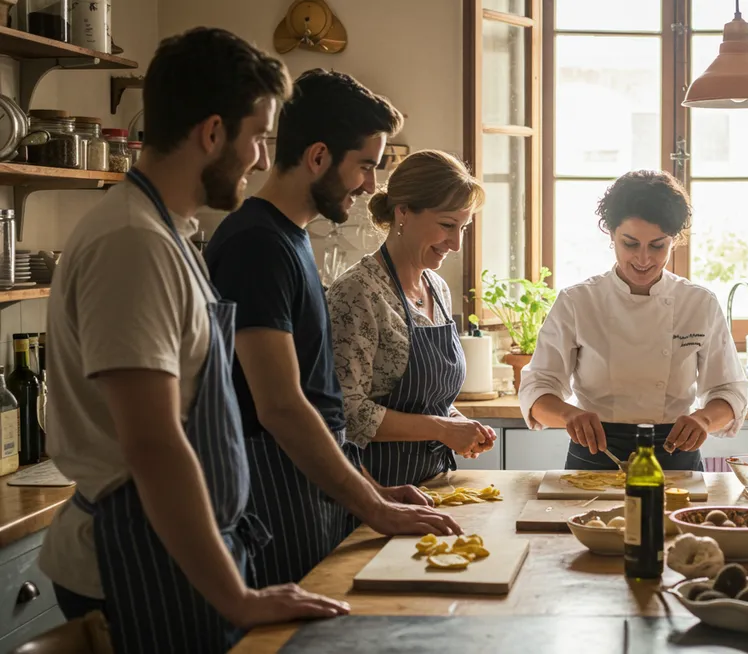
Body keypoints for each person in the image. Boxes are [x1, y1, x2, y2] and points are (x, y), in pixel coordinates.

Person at [40, 28, 349, 653]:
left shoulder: (165, 231)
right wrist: (237, 595)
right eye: (258, 137)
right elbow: (153, 443)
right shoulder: (133, 243)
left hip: (174, 551)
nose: (263, 159)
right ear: (212, 133)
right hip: (135, 561)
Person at [204, 69, 461, 590]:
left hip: (314, 490)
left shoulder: (290, 240)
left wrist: (375, 490)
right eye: (365, 166)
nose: (371, 187)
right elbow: (279, 407)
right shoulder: (256, 246)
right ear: (319, 157)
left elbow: (322, 405)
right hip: (271, 494)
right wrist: (373, 504)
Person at [518, 170, 748, 470]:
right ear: (611, 233)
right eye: (630, 243)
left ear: (674, 240)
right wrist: (568, 415)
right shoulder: (578, 301)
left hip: (675, 454)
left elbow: (728, 390)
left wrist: (703, 419)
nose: (643, 259)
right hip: (596, 454)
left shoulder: (699, 303)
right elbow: (538, 388)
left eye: (657, 246)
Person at [328, 150, 495, 486]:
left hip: (435, 484)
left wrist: (460, 424)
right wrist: (443, 429)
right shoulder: (358, 293)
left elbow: (428, 402)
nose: (457, 243)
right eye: (447, 225)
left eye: (464, 228)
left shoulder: (438, 290)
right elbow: (348, 412)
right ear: (403, 211)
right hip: (375, 490)